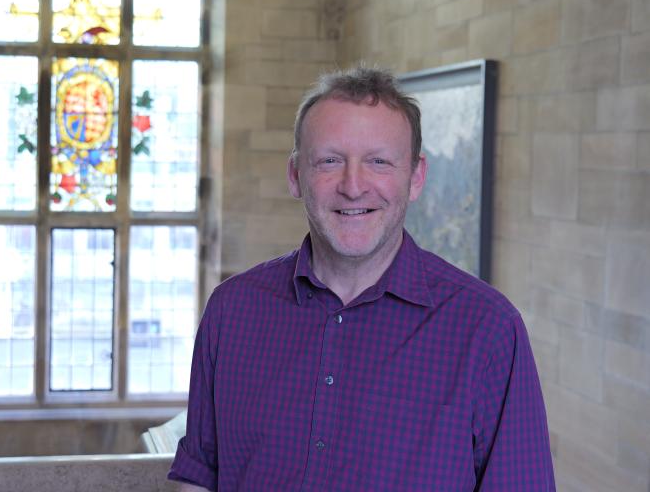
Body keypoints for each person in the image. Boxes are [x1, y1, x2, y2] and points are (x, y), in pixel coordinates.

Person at [169, 67, 555, 491]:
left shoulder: (488, 330)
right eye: (330, 161)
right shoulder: (232, 311)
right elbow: (198, 476)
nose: (353, 187)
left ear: (416, 177)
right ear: (296, 176)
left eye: (378, 161)